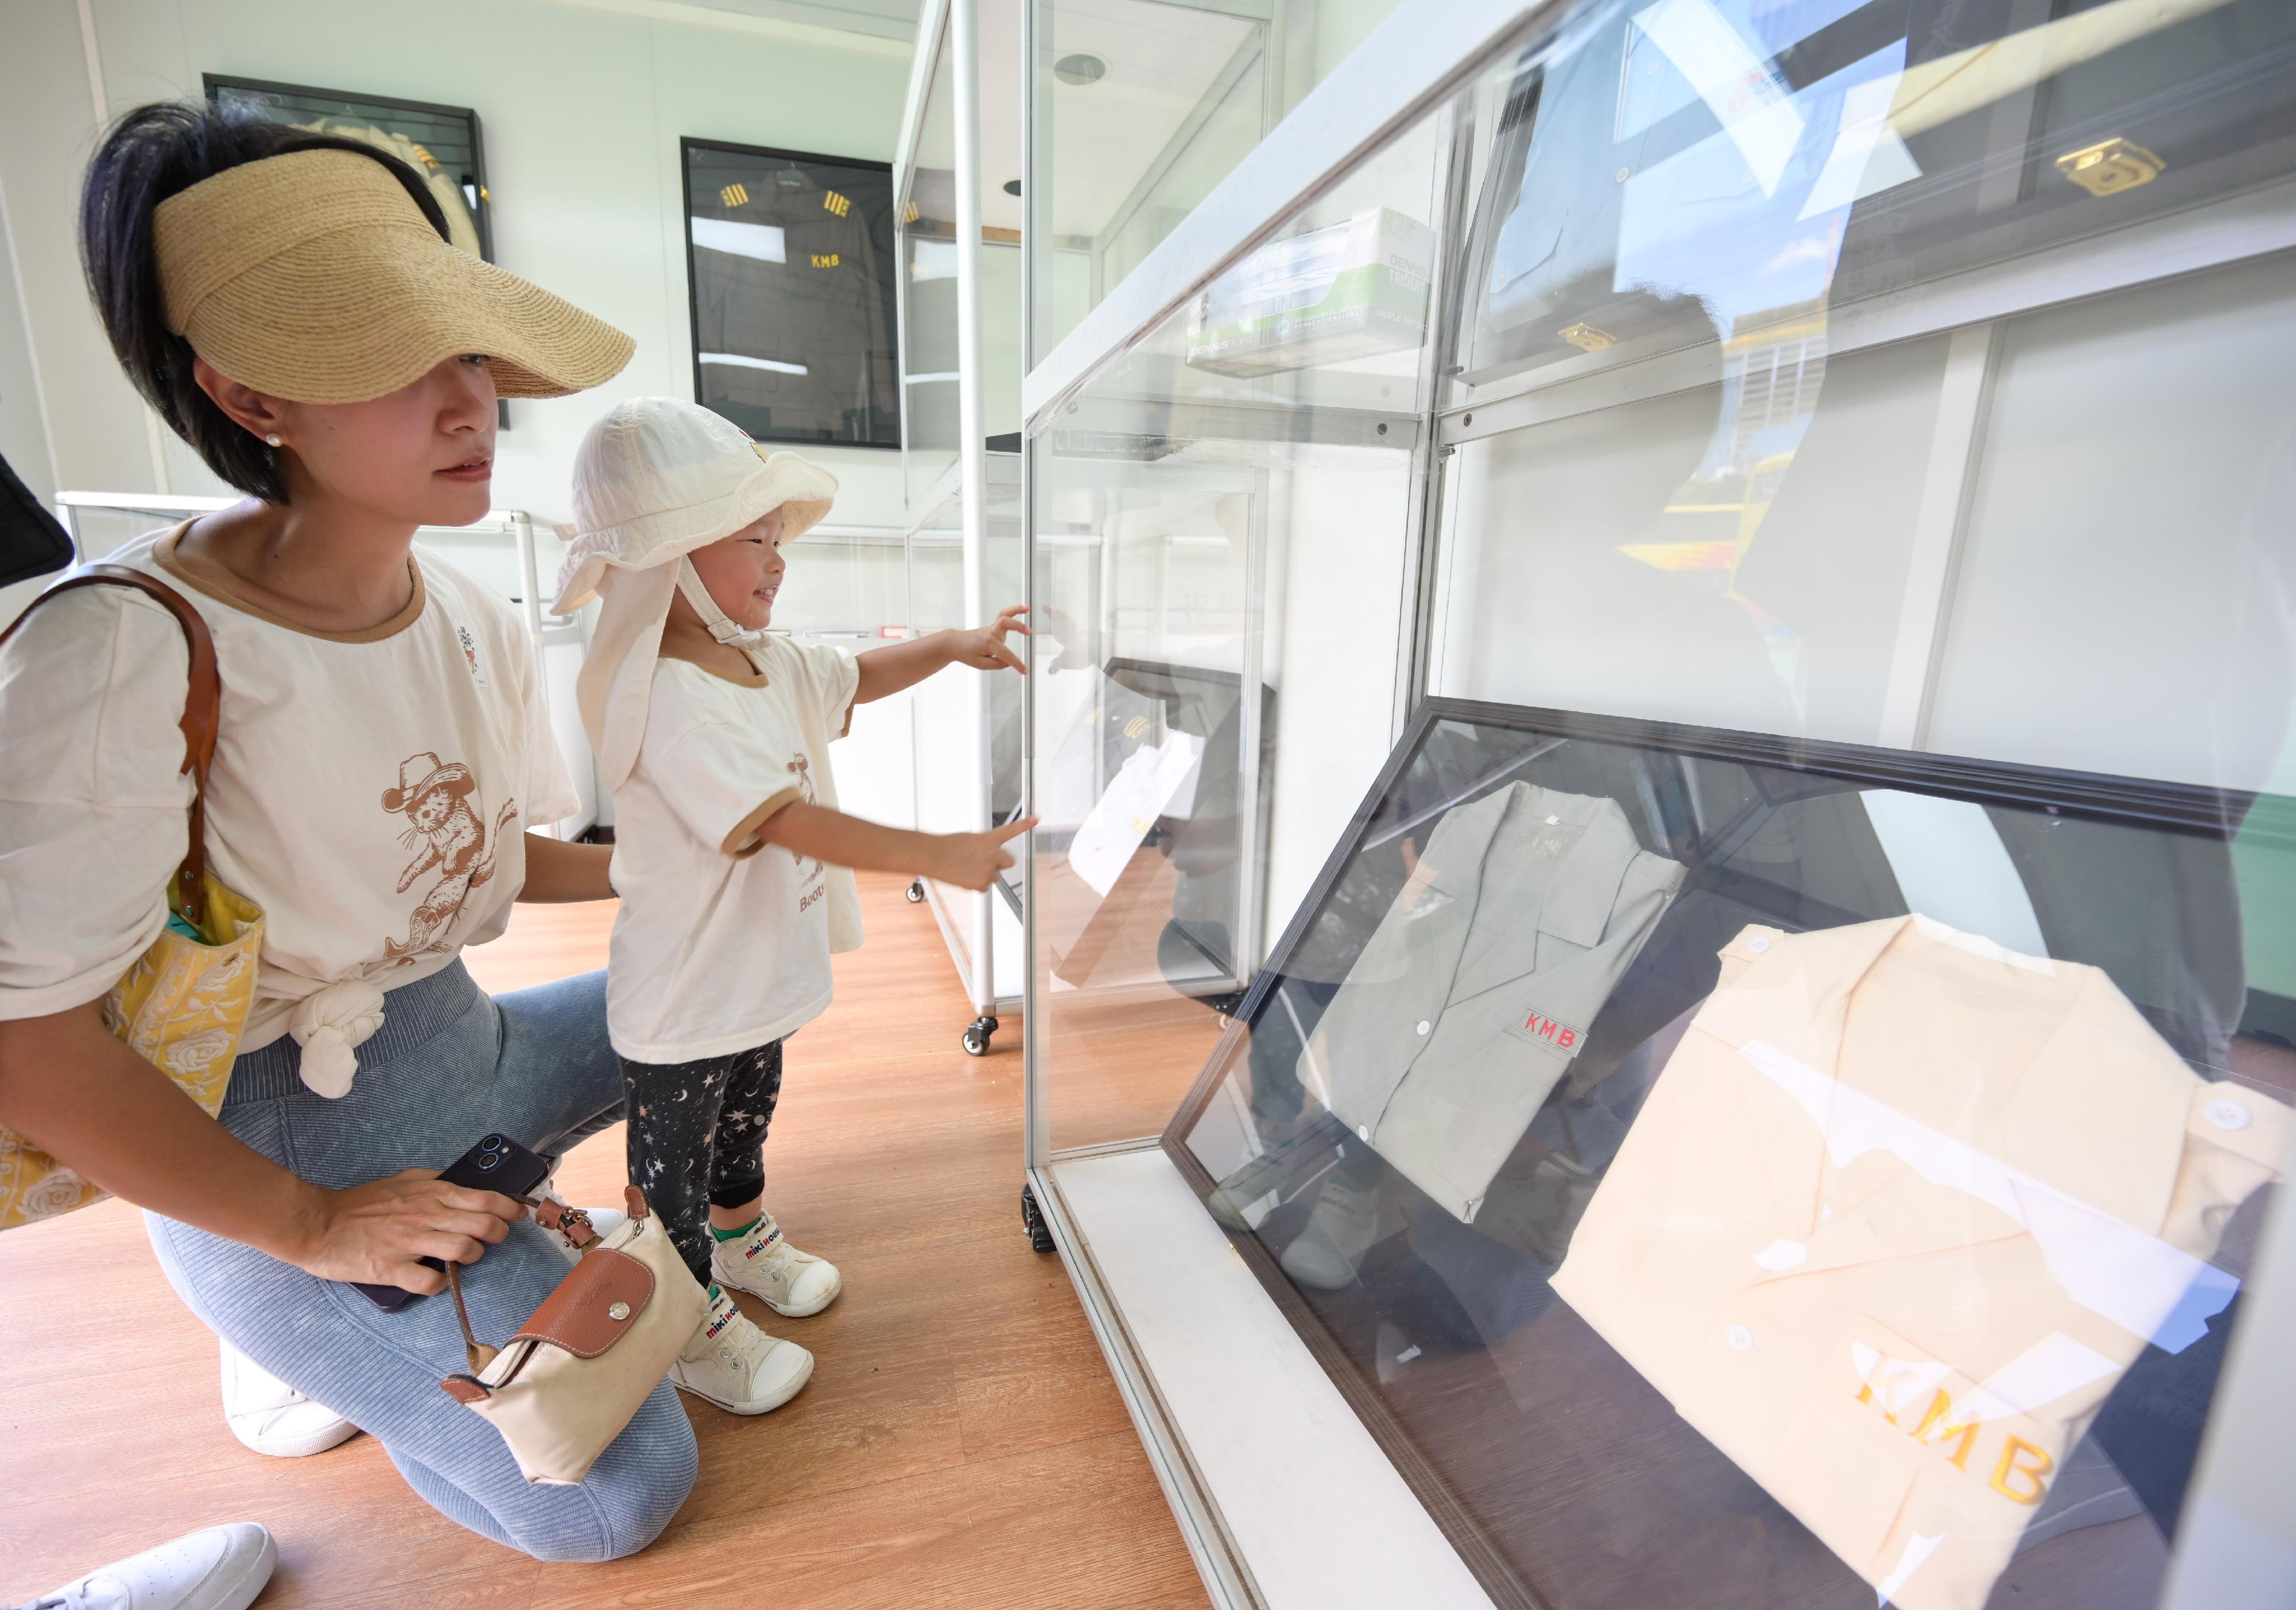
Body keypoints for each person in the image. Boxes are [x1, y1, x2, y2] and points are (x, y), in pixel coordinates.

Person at [0, 102, 692, 1562]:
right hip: (273, 1132)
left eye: (472, 356)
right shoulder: (124, 652)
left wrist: (698, 862)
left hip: (455, 1039)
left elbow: (491, 867)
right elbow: (28, 1036)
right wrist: (308, 1225)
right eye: (394, 364)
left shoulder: (470, 617)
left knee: (725, 1004)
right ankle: (295, 1327)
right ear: (251, 395)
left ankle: (445, 1268)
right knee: (615, 1495)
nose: (469, 406)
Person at [551, 396, 1033, 1412]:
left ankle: (743, 1243)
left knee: (746, 1121)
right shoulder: (670, 695)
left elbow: (853, 673)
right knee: (671, 1164)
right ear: (669, 557)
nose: (779, 561)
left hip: (750, 974)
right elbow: (785, 821)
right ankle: (682, 1320)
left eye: (779, 540)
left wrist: (953, 642)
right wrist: (937, 852)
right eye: (755, 541)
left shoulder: (758, 659)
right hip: (683, 999)